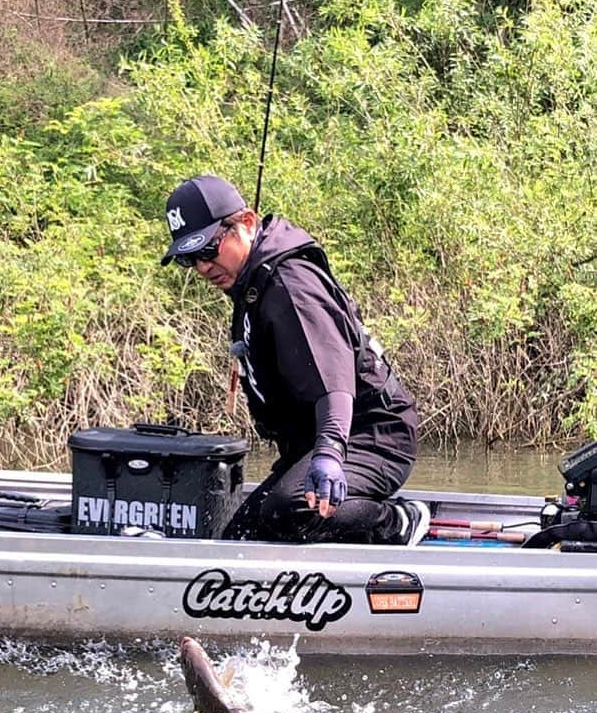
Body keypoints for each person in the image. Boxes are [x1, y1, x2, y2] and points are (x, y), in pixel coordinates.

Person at [161, 174, 430, 546]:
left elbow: (334, 381)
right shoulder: (253, 282)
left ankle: (394, 522)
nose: (203, 267)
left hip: (371, 434)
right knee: (240, 539)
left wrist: (331, 452)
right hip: (315, 441)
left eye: (208, 250)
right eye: (189, 259)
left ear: (247, 223)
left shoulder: (291, 285)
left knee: (289, 512)